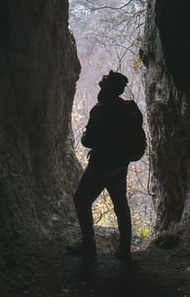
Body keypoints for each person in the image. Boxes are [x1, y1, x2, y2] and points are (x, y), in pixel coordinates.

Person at [66, 70, 144, 264]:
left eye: (103, 86)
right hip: (120, 163)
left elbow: (88, 140)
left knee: (82, 199)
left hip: (102, 163)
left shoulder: (100, 110)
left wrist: (87, 137)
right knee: (120, 203)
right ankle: (124, 250)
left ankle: (88, 245)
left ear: (108, 90)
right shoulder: (128, 108)